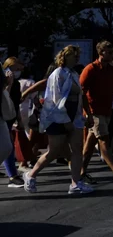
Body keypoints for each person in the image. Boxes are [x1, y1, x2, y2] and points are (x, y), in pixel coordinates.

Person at [23, 46, 90, 194]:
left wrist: (83, 116)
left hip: (74, 116)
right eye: (73, 55)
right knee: (54, 151)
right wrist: (65, 120)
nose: (76, 57)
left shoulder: (73, 74)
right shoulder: (58, 73)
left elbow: (79, 96)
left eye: (78, 55)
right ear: (64, 57)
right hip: (57, 117)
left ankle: (75, 183)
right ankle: (30, 175)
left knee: (77, 148)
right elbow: (55, 98)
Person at [79, 41, 113, 187]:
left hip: (106, 111)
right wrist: (87, 113)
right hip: (94, 112)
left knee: (90, 144)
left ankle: (81, 173)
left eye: (112, 52)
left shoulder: (111, 70)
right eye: (108, 52)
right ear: (100, 52)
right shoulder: (90, 69)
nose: (111, 54)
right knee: (104, 140)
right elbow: (81, 92)